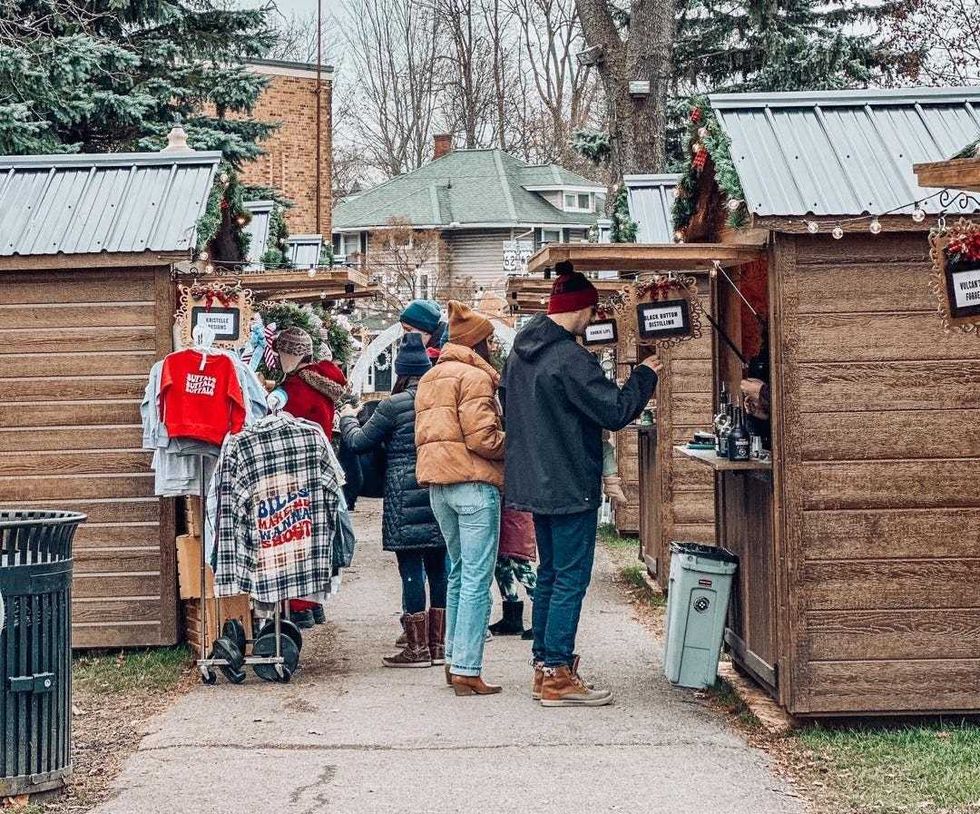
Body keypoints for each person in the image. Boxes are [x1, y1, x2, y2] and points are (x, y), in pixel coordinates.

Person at [502, 262, 662, 707]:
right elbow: (614, 411)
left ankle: (546, 667)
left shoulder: (519, 355)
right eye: (591, 314)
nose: (592, 322)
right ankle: (556, 673)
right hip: (570, 481)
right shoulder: (571, 359)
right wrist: (647, 374)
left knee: (551, 575)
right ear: (581, 309)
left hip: (535, 480)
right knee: (570, 577)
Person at [339, 333, 447, 667]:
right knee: (439, 567)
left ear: (400, 372)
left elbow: (358, 442)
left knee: (411, 567)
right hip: (439, 486)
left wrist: (346, 417)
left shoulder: (392, 405)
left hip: (403, 494)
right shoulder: (440, 399)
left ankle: (416, 649)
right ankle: (439, 646)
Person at [415, 301, 505, 696]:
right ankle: (468, 667)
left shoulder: (430, 377)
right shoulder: (475, 379)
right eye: (489, 342)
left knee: (456, 574)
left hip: (439, 487)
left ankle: (453, 659)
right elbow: (483, 438)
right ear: (478, 343)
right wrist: (514, 446)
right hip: (473, 484)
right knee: (476, 578)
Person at [275, 326, 348, 627]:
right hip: (323, 466)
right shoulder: (325, 380)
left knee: (293, 538)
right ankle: (314, 604)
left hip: (295, 470)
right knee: (317, 536)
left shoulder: (294, 388)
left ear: (291, 355)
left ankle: (299, 605)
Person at [488, 508, 536, 638]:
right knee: (501, 566)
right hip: (506, 515)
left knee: (521, 567)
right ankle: (511, 619)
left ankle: (543, 619)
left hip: (516, 512)